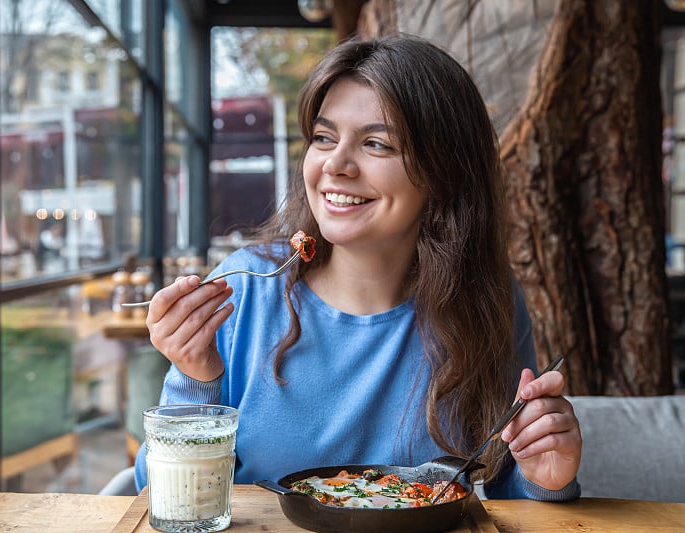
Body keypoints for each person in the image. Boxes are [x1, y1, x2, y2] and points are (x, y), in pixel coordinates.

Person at [135, 33, 582, 500]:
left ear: (444, 174)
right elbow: (165, 495)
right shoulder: (243, 291)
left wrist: (545, 477)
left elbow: (506, 494)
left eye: (376, 144)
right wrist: (194, 379)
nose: (336, 165)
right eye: (324, 138)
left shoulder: (486, 301)